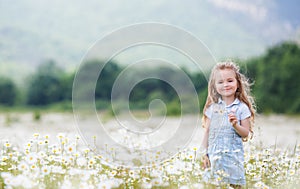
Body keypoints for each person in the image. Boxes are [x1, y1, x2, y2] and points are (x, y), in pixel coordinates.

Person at [201, 61, 256, 188]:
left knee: (234, 186)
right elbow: (207, 132)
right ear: (215, 86)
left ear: (238, 83)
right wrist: (204, 154)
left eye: (230, 81)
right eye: (220, 82)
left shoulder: (242, 108)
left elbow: (245, 134)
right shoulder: (212, 108)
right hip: (214, 160)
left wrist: (235, 125)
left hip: (233, 161)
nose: (225, 85)